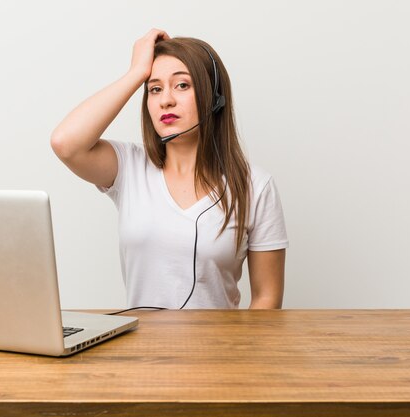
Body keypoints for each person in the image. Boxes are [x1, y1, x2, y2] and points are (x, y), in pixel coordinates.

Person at [51, 29, 288, 310]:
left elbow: (267, 299)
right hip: (143, 351)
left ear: (214, 98)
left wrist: (237, 354)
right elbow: (65, 143)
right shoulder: (129, 168)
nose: (166, 100)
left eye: (182, 85)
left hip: (220, 352)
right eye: (155, 89)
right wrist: (136, 73)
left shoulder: (255, 186)